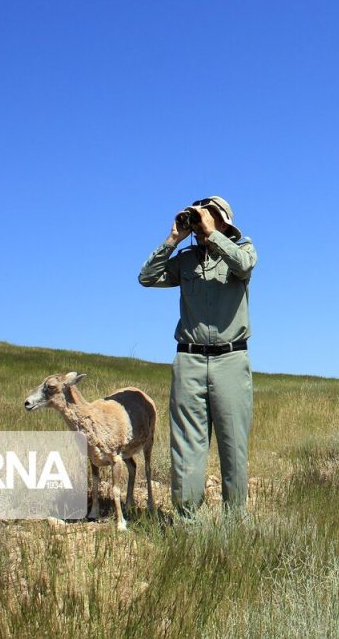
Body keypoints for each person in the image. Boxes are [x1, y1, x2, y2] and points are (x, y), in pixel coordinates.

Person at [138, 196, 257, 516]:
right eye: (199, 217)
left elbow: (244, 267)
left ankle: (235, 528)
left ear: (224, 222)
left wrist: (213, 235)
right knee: (187, 449)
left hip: (230, 360)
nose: (201, 222)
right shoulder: (186, 259)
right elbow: (147, 277)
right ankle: (189, 527)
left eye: (209, 216)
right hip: (188, 360)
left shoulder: (243, 249)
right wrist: (173, 239)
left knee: (233, 448)